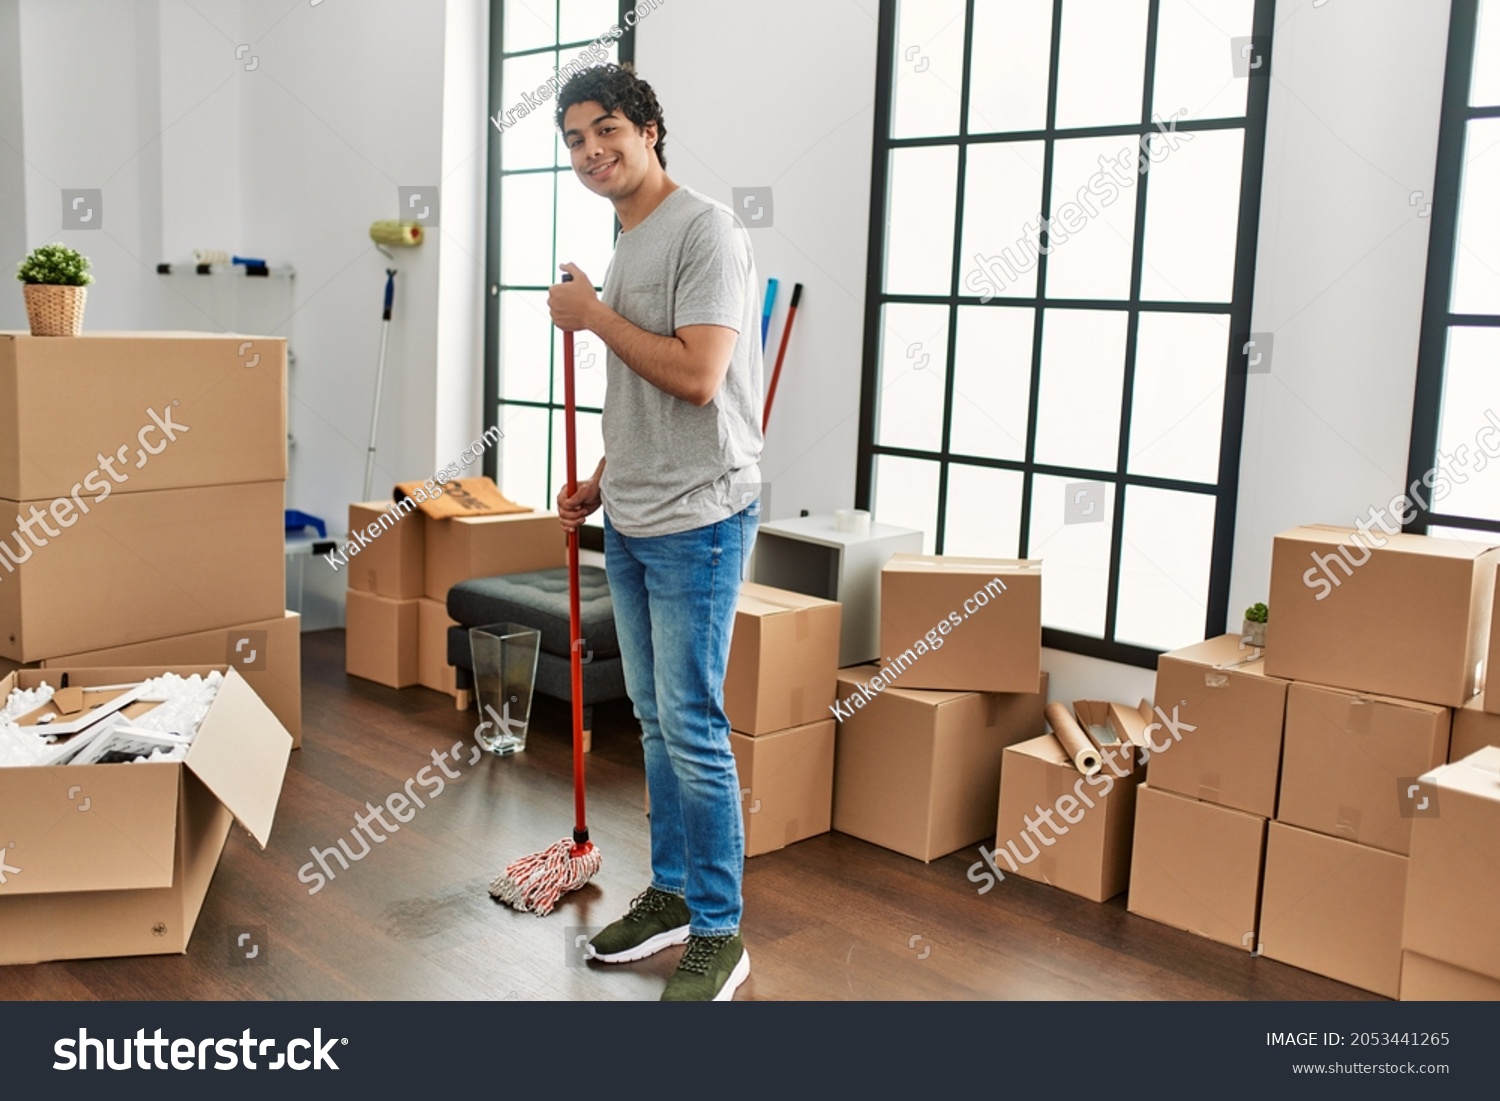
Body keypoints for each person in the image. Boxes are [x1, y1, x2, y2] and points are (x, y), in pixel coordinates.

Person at [546, 63, 763, 1002]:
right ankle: (672, 894)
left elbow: (699, 377)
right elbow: (644, 390)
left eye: (607, 132)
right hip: (634, 514)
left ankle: (720, 930)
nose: (592, 153)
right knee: (657, 722)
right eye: (575, 141)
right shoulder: (629, 237)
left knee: (694, 724)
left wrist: (590, 315)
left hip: (701, 518)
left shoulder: (704, 229)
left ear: (649, 130)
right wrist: (600, 479)